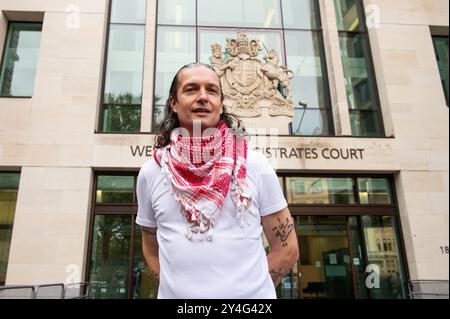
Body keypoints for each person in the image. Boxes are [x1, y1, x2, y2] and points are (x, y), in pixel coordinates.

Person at [136, 62, 299, 299]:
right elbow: (151, 248)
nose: (203, 97)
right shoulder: (151, 172)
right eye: (191, 89)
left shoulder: (255, 165)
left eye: (212, 90)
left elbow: (287, 249)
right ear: (173, 102)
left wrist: (256, 293)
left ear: (221, 105)